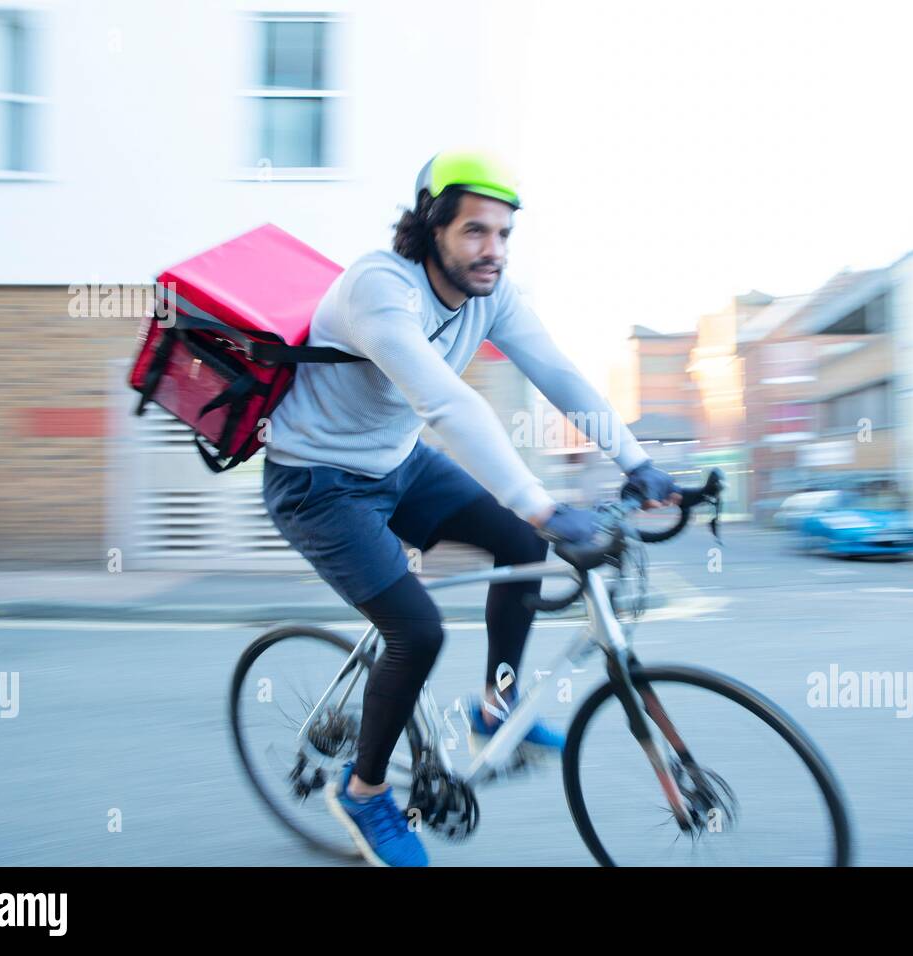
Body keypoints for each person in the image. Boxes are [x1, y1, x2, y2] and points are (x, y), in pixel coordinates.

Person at [262, 149, 679, 866]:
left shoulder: (494, 294)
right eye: (475, 232)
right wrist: (544, 504)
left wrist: (636, 462)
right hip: (317, 482)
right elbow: (446, 402)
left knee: (521, 544)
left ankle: (497, 705)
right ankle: (363, 795)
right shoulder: (378, 287)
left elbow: (556, 372)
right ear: (432, 228)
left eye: (505, 234)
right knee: (418, 632)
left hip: (394, 462)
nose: (494, 251)